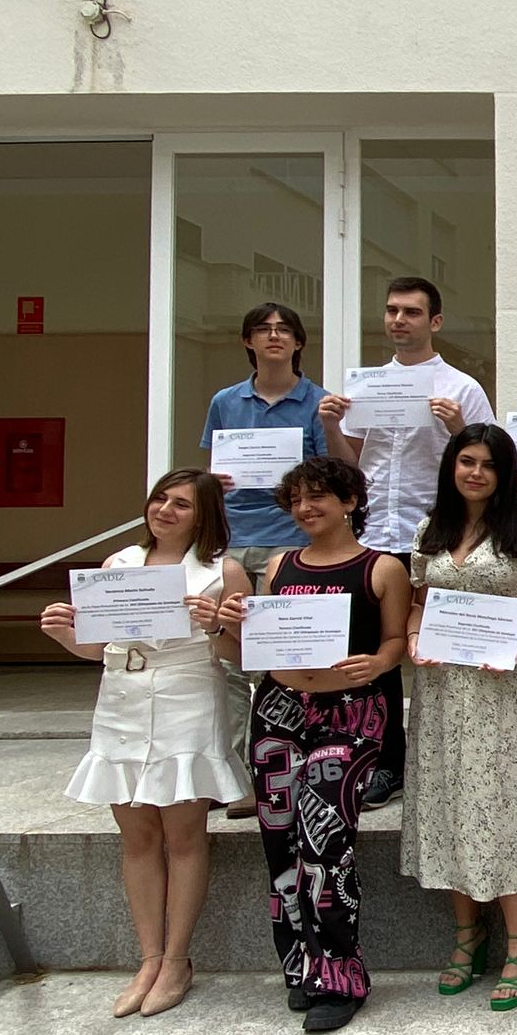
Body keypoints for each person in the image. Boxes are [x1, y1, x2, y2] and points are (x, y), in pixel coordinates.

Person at [42, 470, 250, 1018]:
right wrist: (65, 633)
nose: (165, 510)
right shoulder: (119, 564)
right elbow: (96, 647)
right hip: (122, 697)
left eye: (182, 504)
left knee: (183, 835)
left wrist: (215, 627)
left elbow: (250, 655)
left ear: (204, 515)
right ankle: (149, 958)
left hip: (188, 696)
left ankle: (177, 959)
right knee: (136, 836)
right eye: (161, 498)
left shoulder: (222, 571)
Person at [216, 457, 407, 1034]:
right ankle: (299, 966)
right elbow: (250, 644)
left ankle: (341, 976)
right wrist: (226, 623)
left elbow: (396, 640)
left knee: (326, 843)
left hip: (350, 713)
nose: (305, 508)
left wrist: (379, 663)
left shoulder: (382, 567)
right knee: (280, 843)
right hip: (278, 709)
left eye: (318, 496)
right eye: (296, 499)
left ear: (350, 501)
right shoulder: (279, 564)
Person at [405, 425, 517, 1013]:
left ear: (505, 473)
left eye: (488, 465)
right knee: (450, 799)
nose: (476, 473)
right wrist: (414, 636)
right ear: (451, 466)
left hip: (507, 687)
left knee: (504, 804)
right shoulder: (431, 529)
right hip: (443, 688)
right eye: (466, 461)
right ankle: (467, 935)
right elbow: (419, 603)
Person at [318, 276, 496, 811]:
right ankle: (384, 764)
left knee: (442, 651)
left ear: (434, 321)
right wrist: (332, 426)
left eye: (412, 312)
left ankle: (450, 764)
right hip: (374, 535)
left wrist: (457, 427)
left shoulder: (462, 388)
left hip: (437, 535)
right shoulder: (367, 387)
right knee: (379, 655)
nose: (399, 320)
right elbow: (352, 465)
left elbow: (489, 464)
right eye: (392, 310)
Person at [201, 301, 329, 819]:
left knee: (279, 664)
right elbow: (212, 470)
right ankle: (231, 777)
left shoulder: (316, 401)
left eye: (283, 330)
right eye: (263, 329)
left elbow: (327, 474)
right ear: (247, 341)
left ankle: (275, 773)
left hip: (287, 544)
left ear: (298, 342)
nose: (274, 336)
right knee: (229, 663)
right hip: (232, 541)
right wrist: (214, 481)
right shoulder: (225, 401)